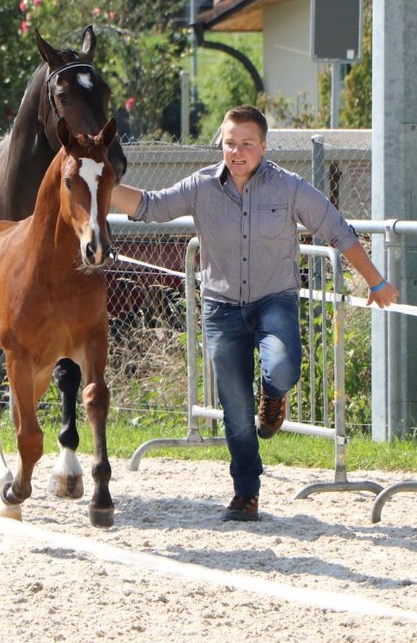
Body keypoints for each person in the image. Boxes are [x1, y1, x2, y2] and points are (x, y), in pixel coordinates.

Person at [110, 105, 398, 522]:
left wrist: (375, 281)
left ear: (263, 146)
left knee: (282, 369)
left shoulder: (289, 187)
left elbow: (337, 229)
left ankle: (274, 395)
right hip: (221, 308)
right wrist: (101, 183)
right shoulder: (201, 186)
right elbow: (150, 206)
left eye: (247, 143)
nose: (238, 151)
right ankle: (246, 493)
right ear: (220, 145)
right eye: (230, 143)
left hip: (273, 301)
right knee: (237, 412)